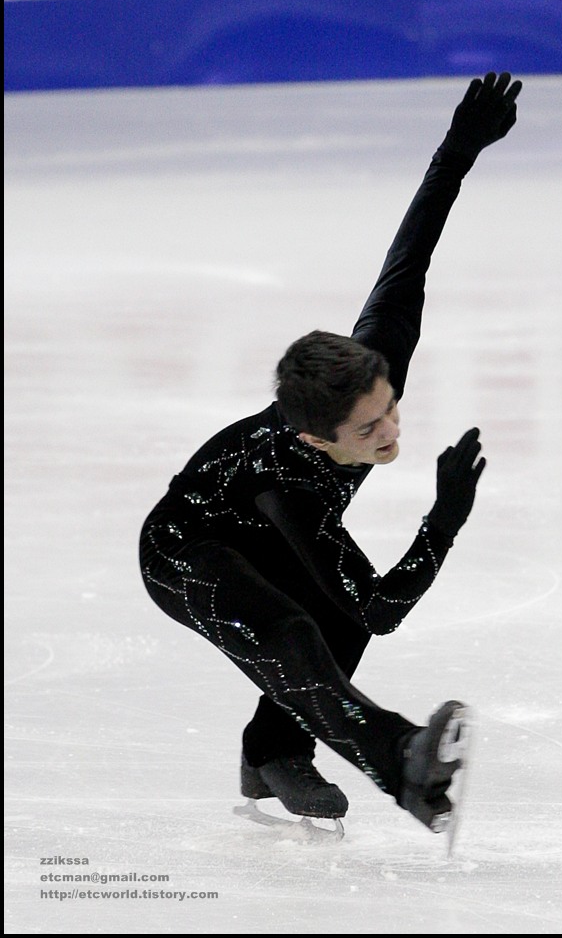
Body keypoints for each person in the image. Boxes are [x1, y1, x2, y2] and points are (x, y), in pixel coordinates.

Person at [139, 72, 523, 832]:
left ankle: (270, 753)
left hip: (258, 533)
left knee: (333, 615)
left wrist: (460, 147)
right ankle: (404, 761)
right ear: (318, 439)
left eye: (390, 409)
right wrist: (444, 518)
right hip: (187, 552)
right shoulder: (296, 484)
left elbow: (407, 259)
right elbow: (384, 609)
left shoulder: (370, 368)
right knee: (296, 633)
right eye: (370, 431)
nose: (392, 433)